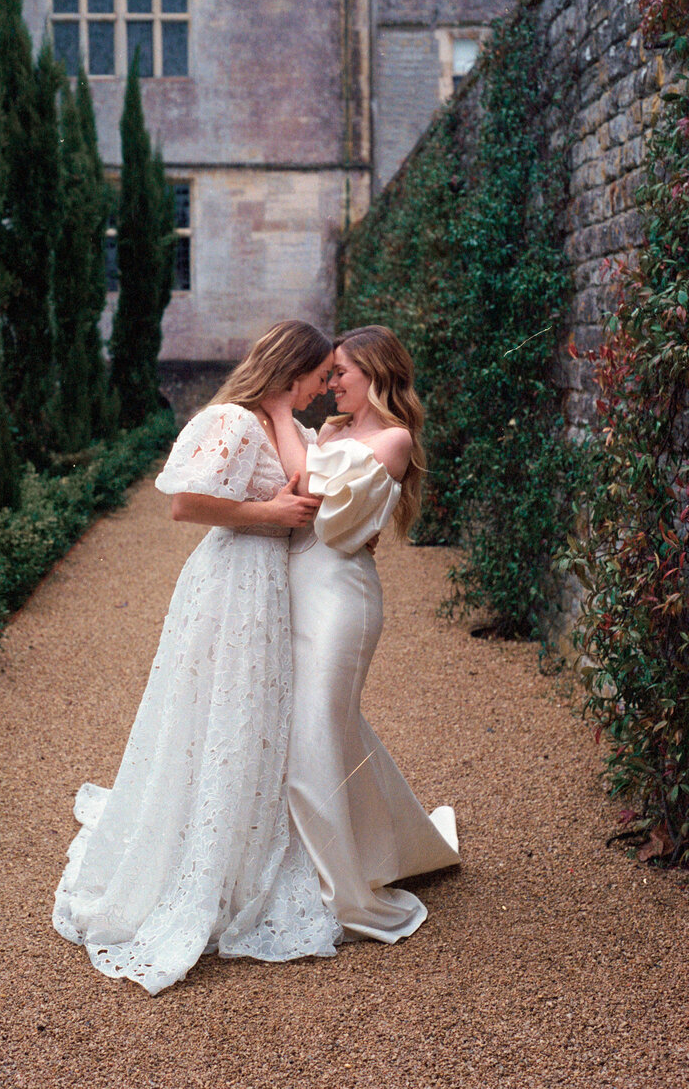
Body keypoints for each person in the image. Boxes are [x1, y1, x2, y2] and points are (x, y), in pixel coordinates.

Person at [53, 320, 342, 995]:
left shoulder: (281, 422)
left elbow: (303, 492)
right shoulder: (232, 421)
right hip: (229, 583)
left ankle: (244, 849)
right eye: (319, 375)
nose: (326, 387)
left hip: (268, 588)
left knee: (255, 714)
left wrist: (283, 412)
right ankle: (198, 865)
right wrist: (269, 513)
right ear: (291, 366)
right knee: (216, 712)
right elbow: (187, 504)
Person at [262, 324, 460, 943]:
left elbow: (316, 494)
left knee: (319, 726)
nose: (330, 386)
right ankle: (387, 846)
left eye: (340, 373)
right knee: (325, 728)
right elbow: (300, 491)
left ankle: (343, 891)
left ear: (374, 372)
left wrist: (274, 409)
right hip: (300, 585)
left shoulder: (395, 439)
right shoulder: (331, 433)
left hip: (344, 598)